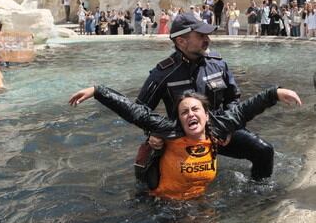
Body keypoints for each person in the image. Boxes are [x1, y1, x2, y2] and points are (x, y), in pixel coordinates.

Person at [69, 85, 301, 200]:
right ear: (179, 119)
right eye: (184, 112)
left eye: (195, 110)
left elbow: (244, 109)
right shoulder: (170, 131)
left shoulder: (217, 128)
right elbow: (135, 112)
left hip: (199, 200)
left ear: (206, 115)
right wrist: (97, 91)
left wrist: (275, 93)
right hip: (161, 206)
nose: (190, 115)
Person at [132, 12, 279, 191]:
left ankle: (256, 196)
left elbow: (233, 99)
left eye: (207, 35)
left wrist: (229, 129)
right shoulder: (163, 73)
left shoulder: (218, 64)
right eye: (201, 35)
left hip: (218, 131)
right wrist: (153, 134)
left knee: (264, 151)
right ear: (181, 41)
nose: (207, 39)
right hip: (179, 136)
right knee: (155, 186)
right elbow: (140, 111)